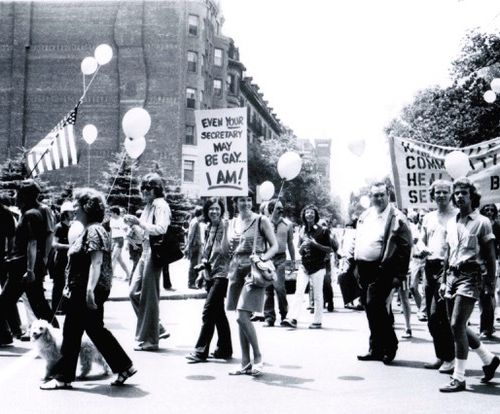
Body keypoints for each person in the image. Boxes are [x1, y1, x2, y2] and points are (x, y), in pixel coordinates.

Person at [40, 188, 136, 390]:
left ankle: (64, 376)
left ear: (85, 207)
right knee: (92, 330)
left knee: (72, 332)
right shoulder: (89, 229)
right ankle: (124, 366)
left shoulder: (94, 230)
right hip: (80, 289)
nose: (73, 209)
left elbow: (97, 262)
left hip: (85, 290)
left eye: (76, 205)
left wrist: (90, 290)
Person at [439, 177, 499, 392]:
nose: (459, 196)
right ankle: (489, 359)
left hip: (471, 276)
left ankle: (459, 377)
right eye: (456, 193)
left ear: (472, 195)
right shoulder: (452, 221)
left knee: (456, 325)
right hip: (452, 277)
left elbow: (491, 257)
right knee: (458, 326)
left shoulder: (482, 221)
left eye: (464, 192)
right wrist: (444, 279)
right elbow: (448, 253)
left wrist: (490, 284)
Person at [345, 181, 412, 364]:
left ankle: (390, 345)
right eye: (375, 195)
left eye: (382, 194)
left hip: (383, 268)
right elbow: (358, 239)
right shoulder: (366, 215)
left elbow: (405, 247)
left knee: (374, 304)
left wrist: (400, 274)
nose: (379, 198)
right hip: (364, 268)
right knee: (370, 309)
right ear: (371, 196)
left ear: (388, 194)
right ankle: (375, 348)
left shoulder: (396, 217)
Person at [226, 191, 278, 376]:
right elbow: (229, 248)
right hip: (235, 270)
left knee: (242, 315)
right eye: (242, 200)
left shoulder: (261, 220)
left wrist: (262, 258)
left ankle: (258, 357)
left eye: (249, 200)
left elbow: (275, 246)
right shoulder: (232, 223)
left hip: (253, 271)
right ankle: (245, 363)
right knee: (241, 318)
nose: (246, 203)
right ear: (235, 202)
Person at [0, 180, 59, 337]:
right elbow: (46, 237)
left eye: (18, 193)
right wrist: (42, 261)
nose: (15, 197)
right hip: (28, 265)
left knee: (8, 302)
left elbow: (32, 243)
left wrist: (30, 269)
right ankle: (58, 336)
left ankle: (59, 337)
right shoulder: (39, 211)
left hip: (24, 267)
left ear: (25, 196)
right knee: (38, 305)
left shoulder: (30, 214)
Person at [125, 173, 171, 351]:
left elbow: (161, 229)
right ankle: (157, 327)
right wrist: (133, 229)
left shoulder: (161, 205)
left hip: (154, 253)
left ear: (156, 189)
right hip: (145, 252)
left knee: (149, 296)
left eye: (149, 187)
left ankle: (151, 339)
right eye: (143, 187)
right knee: (133, 292)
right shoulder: (148, 206)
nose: (144, 191)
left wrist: (139, 224)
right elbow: (143, 234)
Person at [186, 198, 233, 363]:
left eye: (217, 209)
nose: (214, 212)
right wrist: (201, 272)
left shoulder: (226, 226)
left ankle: (201, 351)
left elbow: (226, 250)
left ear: (221, 210)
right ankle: (225, 349)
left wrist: (227, 229)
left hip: (223, 273)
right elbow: (206, 252)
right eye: (211, 209)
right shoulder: (208, 228)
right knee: (218, 313)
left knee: (208, 311)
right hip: (210, 273)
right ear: (206, 211)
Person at [420, 180, 456, 374]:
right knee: (431, 319)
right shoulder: (428, 217)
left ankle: (450, 358)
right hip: (429, 267)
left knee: (439, 315)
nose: (441, 195)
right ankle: (441, 355)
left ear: (450, 194)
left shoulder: (457, 216)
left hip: (448, 268)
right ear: (432, 195)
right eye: (437, 192)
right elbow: (421, 240)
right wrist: (422, 249)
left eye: (444, 192)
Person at [283, 205, 334, 329]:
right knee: (299, 292)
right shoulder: (302, 230)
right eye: (307, 213)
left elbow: (330, 249)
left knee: (317, 295)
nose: (309, 215)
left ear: (315, 215)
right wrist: (301, 248)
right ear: (304, 216)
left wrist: (315, 244)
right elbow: (299, 250)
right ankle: (293, 319)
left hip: (318, 266)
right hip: (305, 266)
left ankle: (317, 321)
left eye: (311, 213)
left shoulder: (323, 230)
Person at [262, 199, 294, 327]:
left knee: (279, 287)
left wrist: (292, 260)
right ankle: (269, 317)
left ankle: (284, 315)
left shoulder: (288, 224)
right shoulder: (264, 223)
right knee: (268, 288)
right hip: (267, 258)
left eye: (282, 207)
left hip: (281, 258)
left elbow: (290, 243)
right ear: (271, 210)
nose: (281, 210)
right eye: (278, 208)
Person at [478, 203, 499, 338]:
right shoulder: (479, 224)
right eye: (487, 209)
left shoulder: (497, 226)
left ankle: (488, 328)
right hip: (478, 263)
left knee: (489, 293)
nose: (489, 212)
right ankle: (484, 326)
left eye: (492, 210)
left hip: (492, 263)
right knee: (481, 296)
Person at [51, 201, 74, 315]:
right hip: (60, 259)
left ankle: (64, 307)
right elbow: (54, 244)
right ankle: (55, 308)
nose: (73, 214)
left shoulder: (72, 226)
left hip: (69, 259)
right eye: (71, 212)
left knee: (67, 283)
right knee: (58, 284)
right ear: (65, 213)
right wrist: (69, 246)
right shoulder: (59, 227)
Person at [185, 206, 204, 289]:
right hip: (194, 246)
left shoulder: (195, 221)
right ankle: (191, 283)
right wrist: (188, 246)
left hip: (196, 245)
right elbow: (191, 235)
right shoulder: (195, 222)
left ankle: (194, 282)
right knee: (194, 264)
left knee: (196, 263)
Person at [109, 206, 130, 281]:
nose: (110, 214)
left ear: (115, 213)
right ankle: (128, 274)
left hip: (120, 240)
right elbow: (111, 231)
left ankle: (110, 275)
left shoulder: (122, 220)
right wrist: (109, 241)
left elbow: (127, 230)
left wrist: (127, 238)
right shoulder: (111, 220)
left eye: (111, 212)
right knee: (119, 260)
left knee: (113, 257)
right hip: (113, 240)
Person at [126, 209, 144, 285]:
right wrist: (134, 245)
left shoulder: (139, 226)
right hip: (134, 247)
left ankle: (138, 283)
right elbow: (128, 237)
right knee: (136, 264)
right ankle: (131, 282)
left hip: (139, 246)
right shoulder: (133, 227)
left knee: (140, 264)